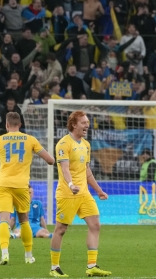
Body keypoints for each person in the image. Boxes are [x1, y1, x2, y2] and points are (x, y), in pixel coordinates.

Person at [0, 112, 55, 265]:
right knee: (24, 221)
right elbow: (50, 161)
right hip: (21, 186)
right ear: (20, 125)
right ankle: (28, 256)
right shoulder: (30, 140)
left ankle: (5, 254)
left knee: (3, 221)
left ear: (6, 125)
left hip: (3, 184)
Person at [49, 110, 111, 277]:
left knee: (95, 225)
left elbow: (86, 170)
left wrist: (98, 191)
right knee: (60, 229)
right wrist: (70, 184)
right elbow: (64, 168)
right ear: (74, 124)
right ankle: (54, 267)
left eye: (87, 122)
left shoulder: (86, 145)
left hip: (84, 194)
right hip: (67, 193)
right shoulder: (63, 144)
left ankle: (92, 266)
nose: (87, 125)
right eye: (83, 122)